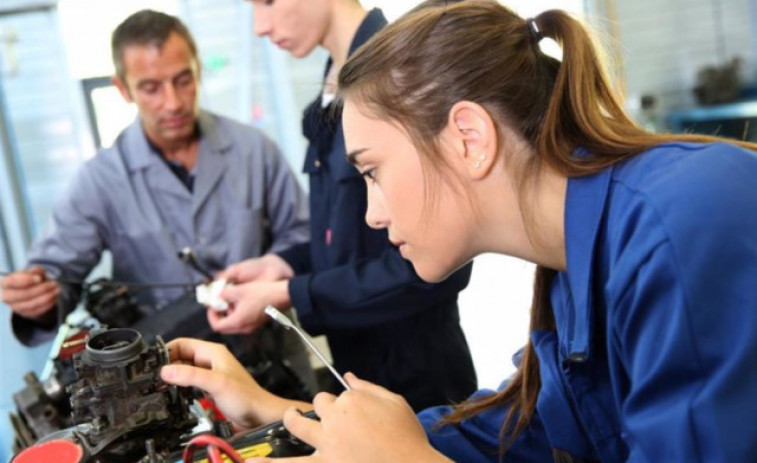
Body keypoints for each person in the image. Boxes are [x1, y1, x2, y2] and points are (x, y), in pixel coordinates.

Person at [160, 0, 757, 461]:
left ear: (468, 138)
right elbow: (509, 434)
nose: (371, 212)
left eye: (372, 171)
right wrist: (279, 416)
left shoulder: (686, 218)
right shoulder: (571, 278)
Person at [0, 10, 316, 394]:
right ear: (123, 89)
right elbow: (55, 275)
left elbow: (303, 237)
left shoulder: (254, 151)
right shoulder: (100, 180)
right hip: (170, 384)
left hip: (275, 366)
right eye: (151, 87)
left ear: (198, 69)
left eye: (183, 80)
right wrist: (38, 298)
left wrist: (267, 279)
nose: (173, 102)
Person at [205, 0, 478, 412]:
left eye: (267, 2)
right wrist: (284, 266)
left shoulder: (398, 72)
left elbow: (430, 267)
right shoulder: (333, 89)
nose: (259, 26)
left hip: (420, 383)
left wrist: (287, 293)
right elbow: (344, 235)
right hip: (358, 374)